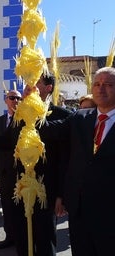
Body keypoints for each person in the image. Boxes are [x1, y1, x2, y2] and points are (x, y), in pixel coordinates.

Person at [0, 73, 72, 256]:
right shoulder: (20, 115)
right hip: (21, 188)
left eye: (37, 82)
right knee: (23, 241)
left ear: (49, 88)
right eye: (28, 82)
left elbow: (64, 160)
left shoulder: (62, 115)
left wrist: (61, 196)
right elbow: (6, 143)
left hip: (46, 192)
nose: (29, 86)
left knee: (45, 241)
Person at [38, 66, 115, 256]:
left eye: (108, 84)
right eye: (97, 84)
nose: (101, 88)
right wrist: (32, 103)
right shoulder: (80, 117)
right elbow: (48, 129)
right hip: (80, 211)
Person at [0, 90, 21, 250]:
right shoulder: (0, 120)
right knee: (7, 205)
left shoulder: (24, 119)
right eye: (12, 98)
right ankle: (9, 235)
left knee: (20, 206)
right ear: (6, 100)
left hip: (19, 170)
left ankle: (21, 236)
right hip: (4, 170)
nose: (15, 100)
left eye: (18, 98)